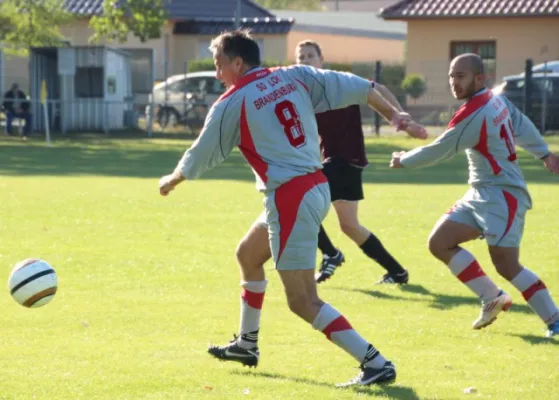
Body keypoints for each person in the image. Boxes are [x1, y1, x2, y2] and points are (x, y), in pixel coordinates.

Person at [159, 30, 425, 386]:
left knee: (302, 301)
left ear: (238, 63)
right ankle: (246, 344)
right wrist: (395, 116)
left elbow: (201, 152)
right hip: (313, 185)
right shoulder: (293, 75)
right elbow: (362, 86)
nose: (217, 72)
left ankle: (374, 362)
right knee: (248, 255)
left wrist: (173, 179)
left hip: (290, 196)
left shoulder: (231, 102)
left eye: (219, 65)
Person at [390, 53, 559, 338]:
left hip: (503, 195)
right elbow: (521, 122)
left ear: (480, 78)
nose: (454, 82)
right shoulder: (495, 99)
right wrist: (544, 153)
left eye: (461, 76)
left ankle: (554, 319)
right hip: (480, 192)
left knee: (507, 264)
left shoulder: (475, 112)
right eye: (451, 76)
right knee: (439, 242)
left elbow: (440, 149)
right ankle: (491, 297)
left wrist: (404, 159)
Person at [295, 40, 420, 285]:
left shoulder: (338, 81)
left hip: (343, 159)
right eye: (301, 57)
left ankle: (331, 254)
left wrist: (399, 116)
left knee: (299, 199)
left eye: (310, 55)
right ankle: (397, 272)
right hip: (338, 162)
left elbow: (377, 89)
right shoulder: (302, 92)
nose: (305, 60)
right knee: (350, 226)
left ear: (321, 60)